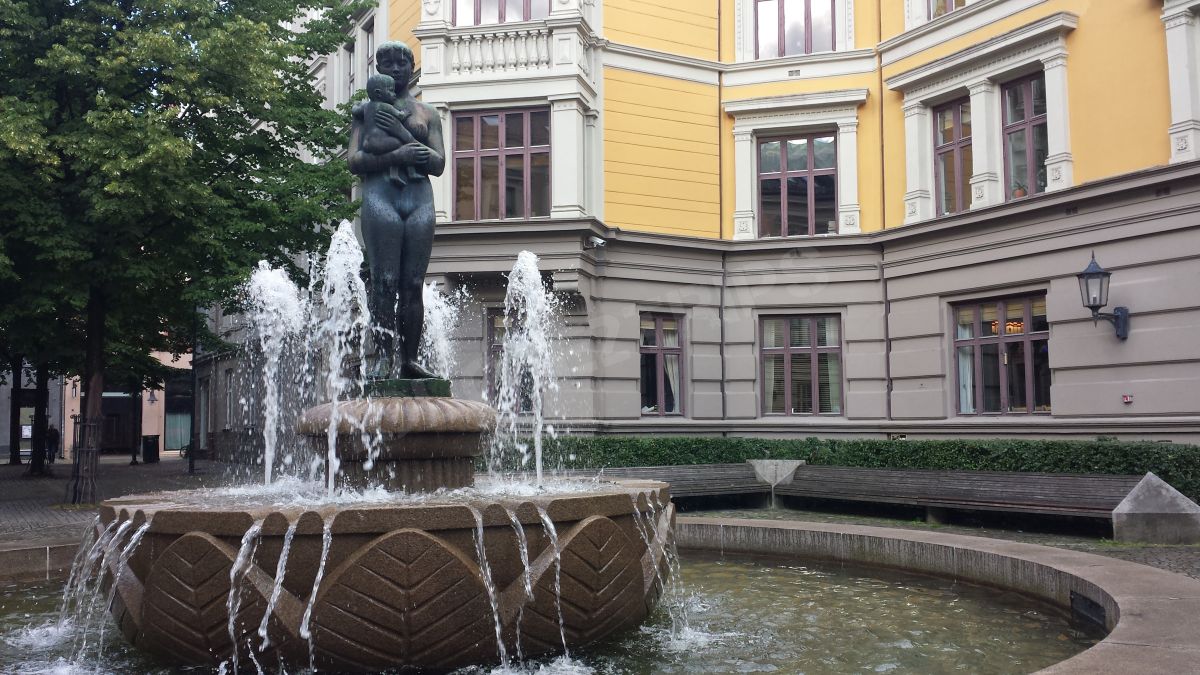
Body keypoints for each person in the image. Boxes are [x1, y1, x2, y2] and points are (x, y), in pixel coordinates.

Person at [348, 41, 444, 379]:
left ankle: (409, 359)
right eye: (387, 63)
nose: (396, 68)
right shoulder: (366, 110)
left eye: (402, 62)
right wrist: (397, 157)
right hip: (380, 196)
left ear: (411, 66)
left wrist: (411, 150)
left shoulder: (428, 113)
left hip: (419, 199)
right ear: (378, 71)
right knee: (384, 282)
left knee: (413, 282)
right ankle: (383, 356)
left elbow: (439, 162)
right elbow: (354, 161)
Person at [357, 73, 423, 186]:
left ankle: (395, 174)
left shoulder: (366, 106)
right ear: (378, 93)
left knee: (395, 148)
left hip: (367, 143)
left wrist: (356, 105)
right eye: (391, 91)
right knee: (403, 145)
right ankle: (409, 173)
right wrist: (406, 113)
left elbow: (355, 111)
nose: (394, 94)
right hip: (379, 142)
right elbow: (400, 116)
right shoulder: (384, 106)